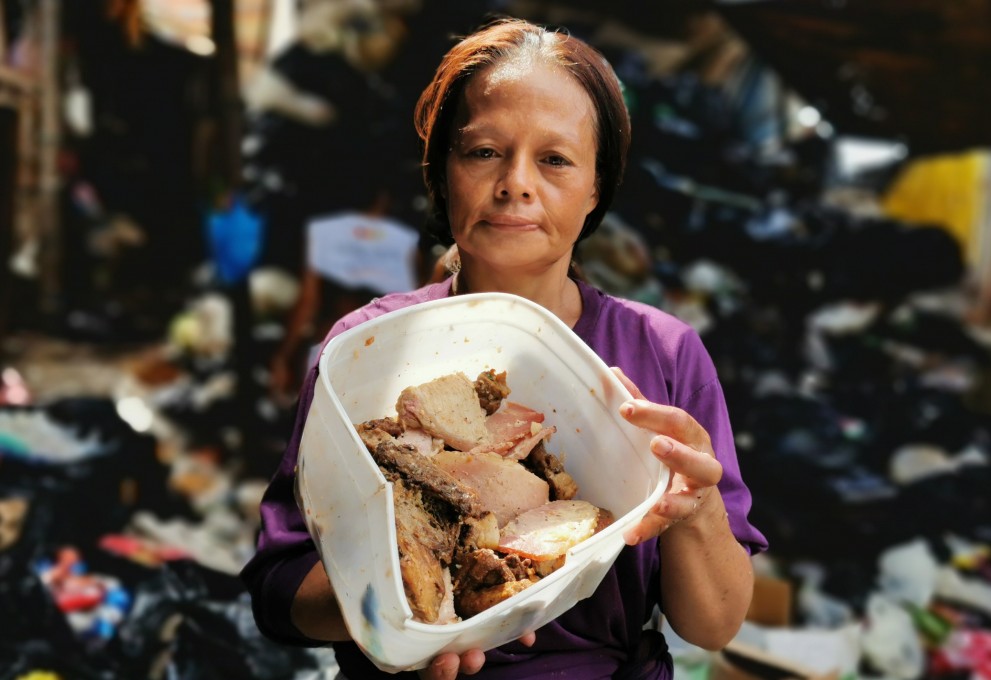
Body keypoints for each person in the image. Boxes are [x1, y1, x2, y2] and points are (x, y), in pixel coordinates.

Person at [241, 17, 767, 680]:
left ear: (597, 186)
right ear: (442, 172)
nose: (516, 182)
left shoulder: (661, 354)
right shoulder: (369, 349)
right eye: (484, 152)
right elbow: (279, 595)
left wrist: (697, 507)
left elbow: (713, 625)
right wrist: (404, 602)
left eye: (555, 159)